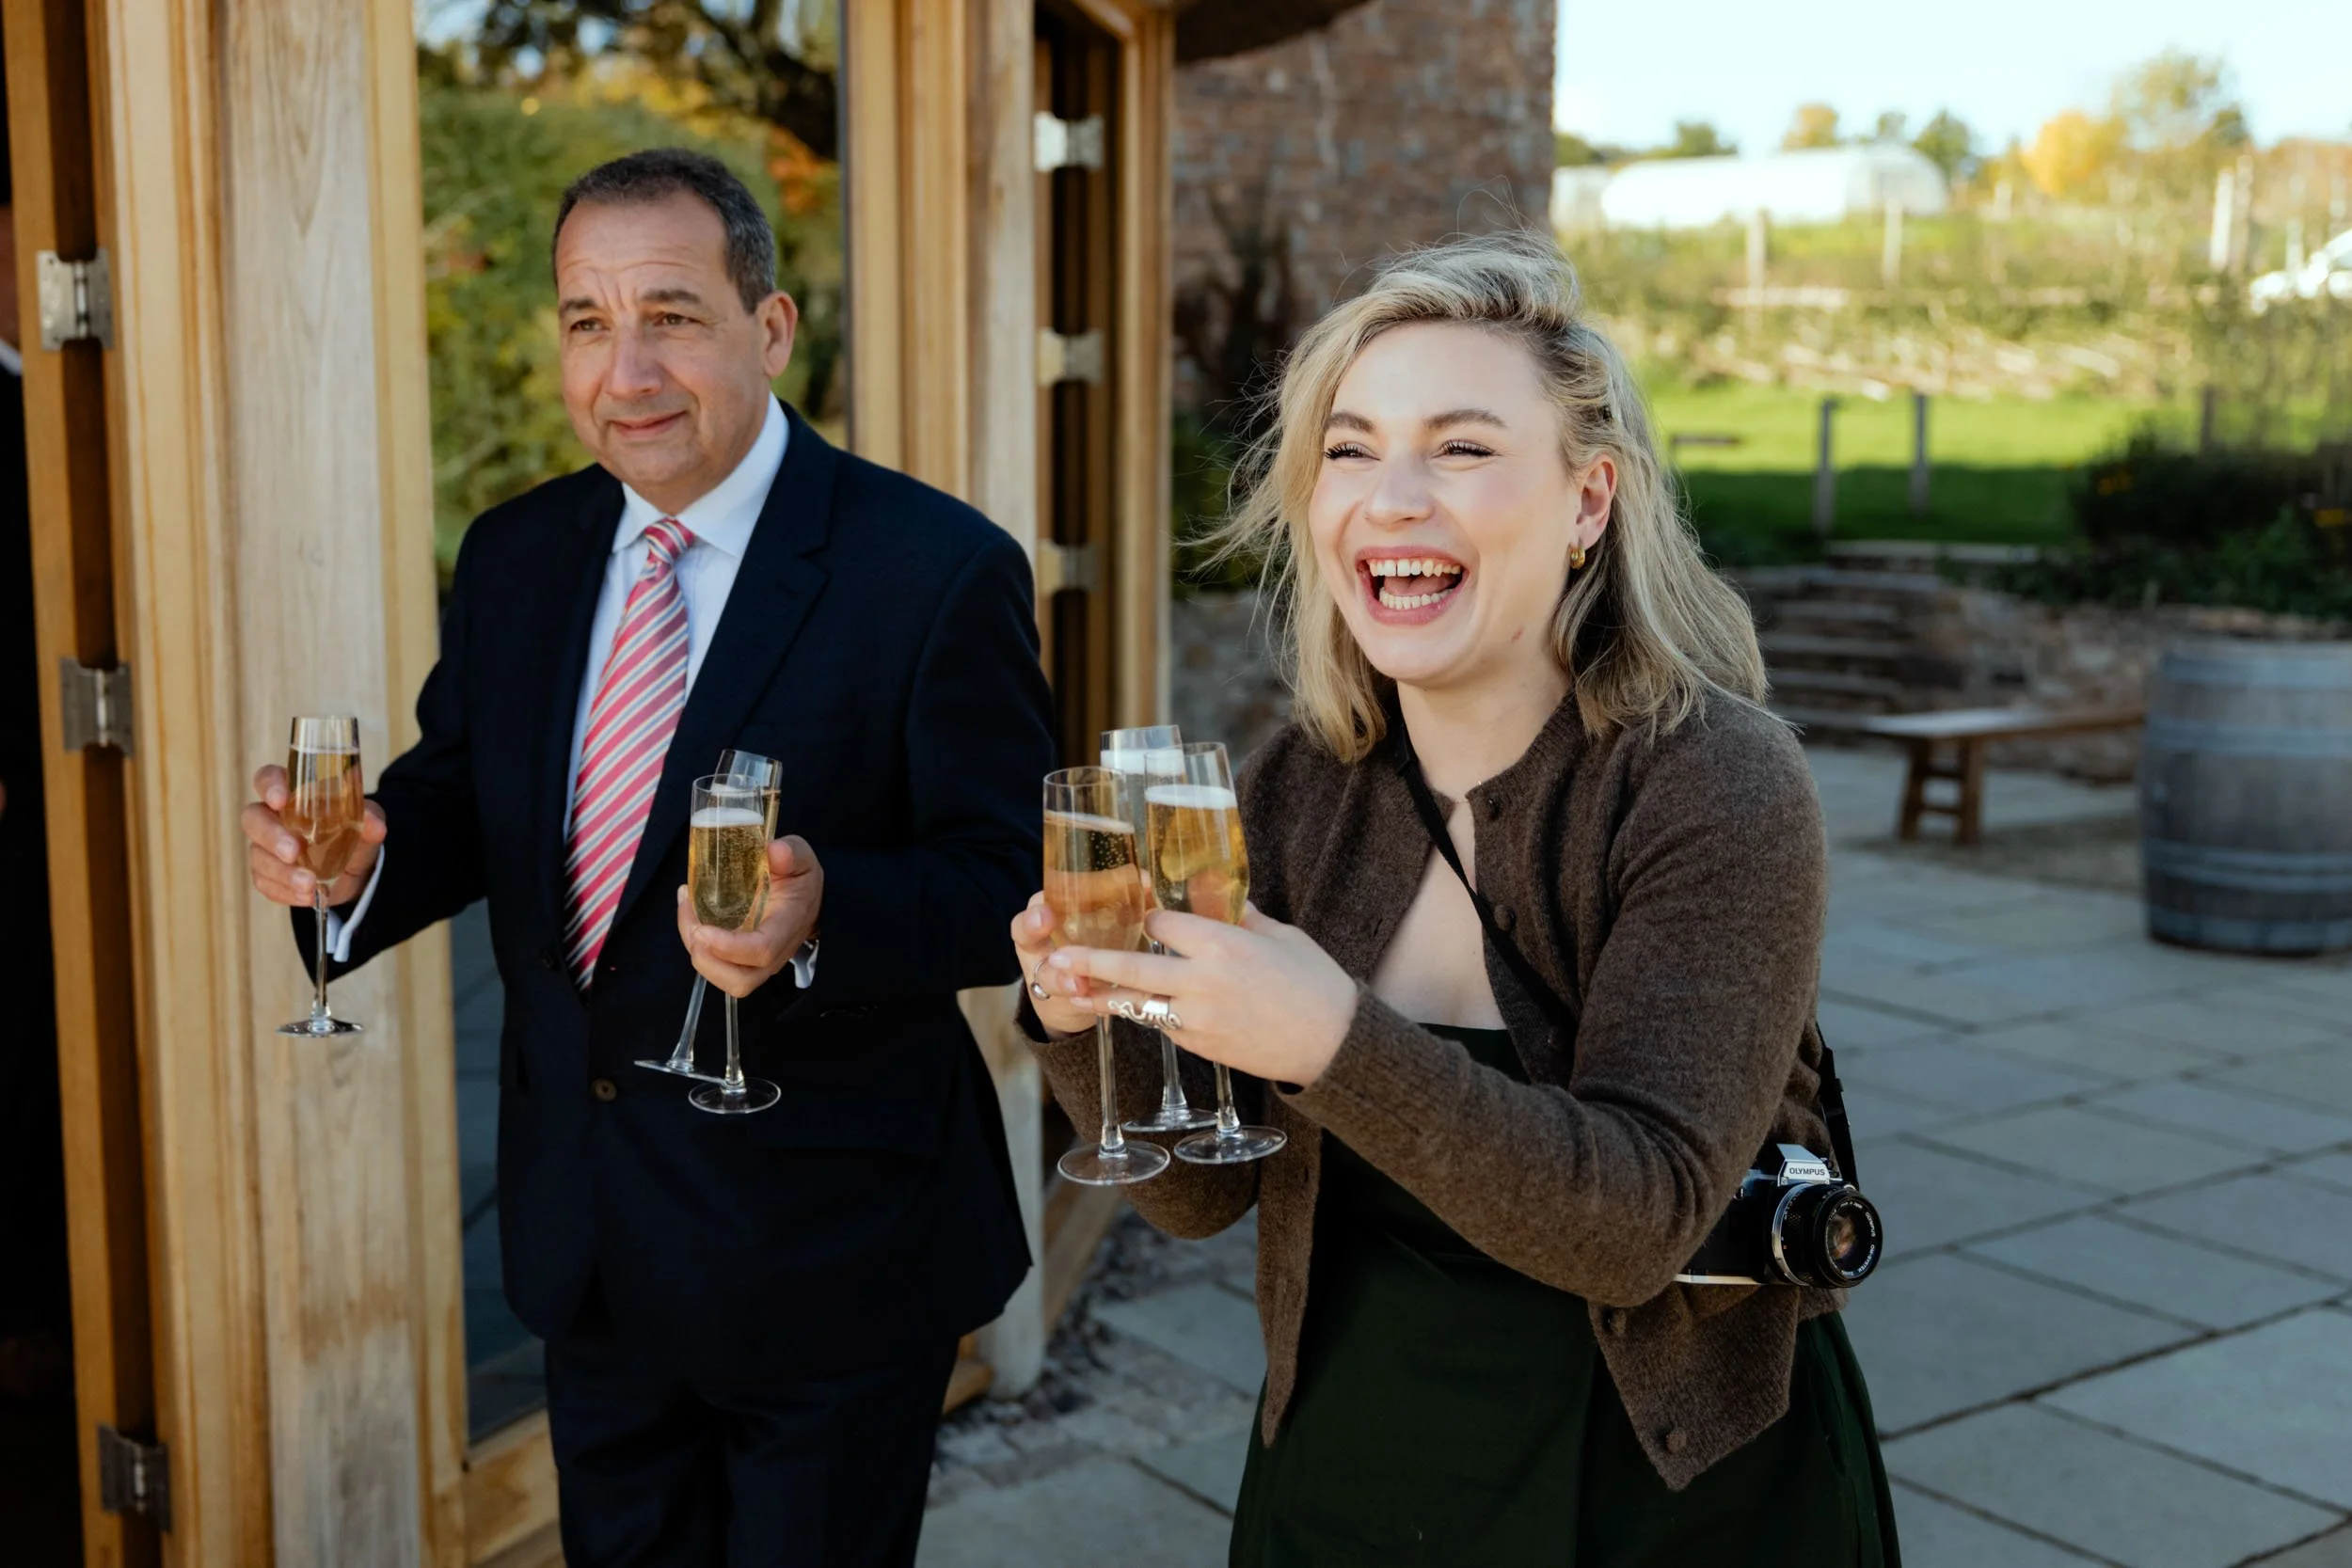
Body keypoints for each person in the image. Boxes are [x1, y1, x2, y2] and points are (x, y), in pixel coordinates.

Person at [1017, 232, 1900, 1564]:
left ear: (1589, 500)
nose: (1391, 497)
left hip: (1662, 1493)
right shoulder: (1302, 783)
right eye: (1351, 448)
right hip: (1351, 1459)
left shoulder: (1717, 782)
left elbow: (1637, 1221)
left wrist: (1328, 1039)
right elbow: (1201, 1196)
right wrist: (1086, 1021)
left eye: (1464, 448)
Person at [237, 149, 1053, 1567]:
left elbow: (1009, 882)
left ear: (771, 327)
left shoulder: (933, 569)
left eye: (670, 314)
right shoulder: (518, 557)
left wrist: (821, 915)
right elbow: (462, 798)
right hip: (592, 1240)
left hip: (831, 1258)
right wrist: (360, 863)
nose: (627, 371)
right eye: (586, 321)